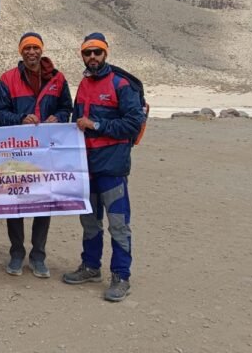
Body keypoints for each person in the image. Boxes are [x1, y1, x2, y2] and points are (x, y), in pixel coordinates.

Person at [62, 32, 145, 302]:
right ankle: (91, 266)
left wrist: (97, 125)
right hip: (87, 168)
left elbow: (133, 124)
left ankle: (121, 275)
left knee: (118, 224)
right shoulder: (84, 84)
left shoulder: (122, 85)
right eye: (88, 53)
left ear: (105, 53)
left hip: (112, 168)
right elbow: (78, 121)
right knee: (90, 222)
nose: (93, 57)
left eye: (97, 52)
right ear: (82, 55)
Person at [0, 32, 72, 278]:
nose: (31, 52)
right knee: (14, 202)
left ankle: (38, 256)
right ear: (21, 51)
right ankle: (16, 253)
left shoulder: (58, 79)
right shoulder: (7, 79)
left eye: (35, 48)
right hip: (17, 151)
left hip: (46, 152)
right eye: (26, 48)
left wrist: (57, 118)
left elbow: (67, 108)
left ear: (42, 50)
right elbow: (0, 113)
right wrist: (19, 118)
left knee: (43, 203)